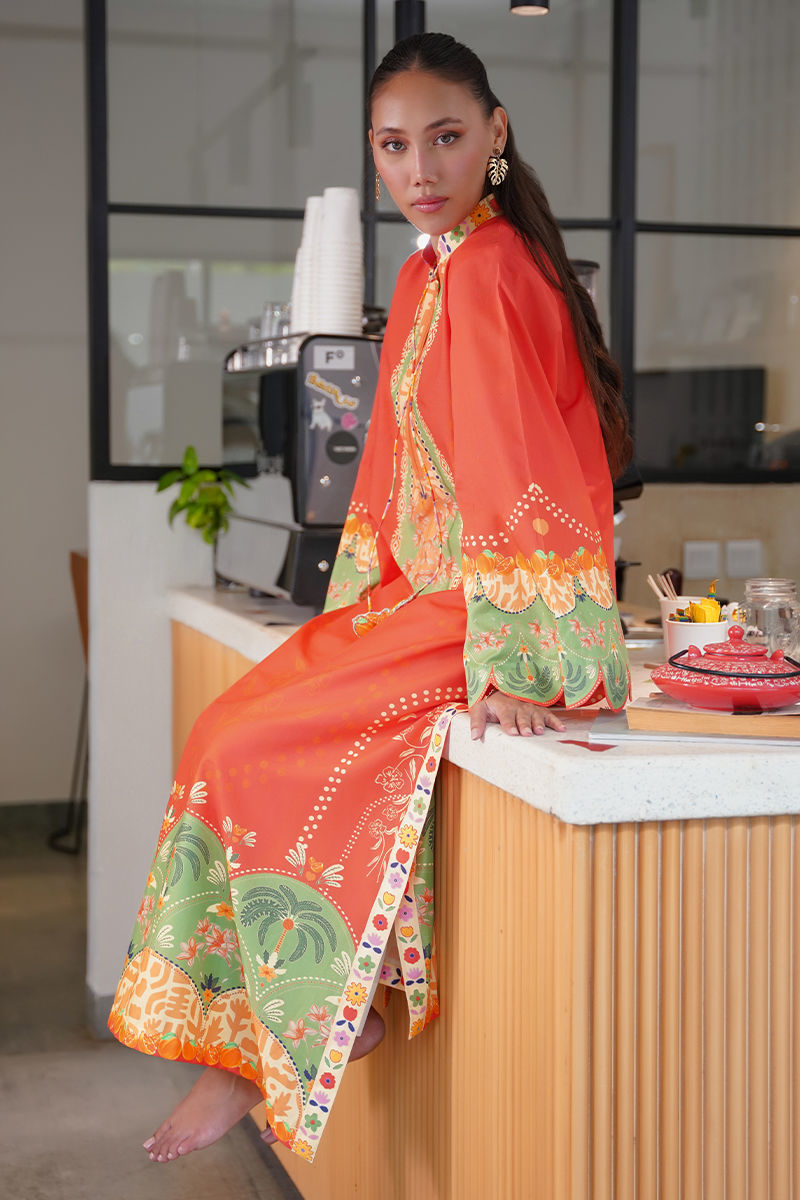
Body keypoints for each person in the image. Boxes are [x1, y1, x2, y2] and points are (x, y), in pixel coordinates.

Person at [109, 31, 633, 1168]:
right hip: (422, 597)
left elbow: (522, 471)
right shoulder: (429, 268)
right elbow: (394, 472)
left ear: (494, 134)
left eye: (445, 138)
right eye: (394, 146)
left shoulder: (489, 267)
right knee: (232, 727)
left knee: (242, 739)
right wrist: (355, 609)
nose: (419, 168)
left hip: (487, 610)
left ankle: (277, 1045)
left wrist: (514, 665)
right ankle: (314, 1023)